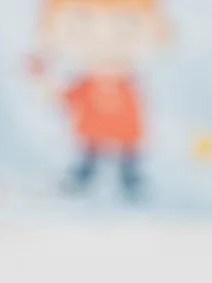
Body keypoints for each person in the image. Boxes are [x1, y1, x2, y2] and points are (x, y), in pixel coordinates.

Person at [34, 0, 168, 199]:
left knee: (127, 159)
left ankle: (130, 180)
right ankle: (83, 177)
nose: (105, 38)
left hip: (126, 133)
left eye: (126, 27)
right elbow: (63, 97)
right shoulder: (87, 83)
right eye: (83, 22)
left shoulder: (128, 84)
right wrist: (41, 79)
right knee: (89, 156)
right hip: (92, 134)